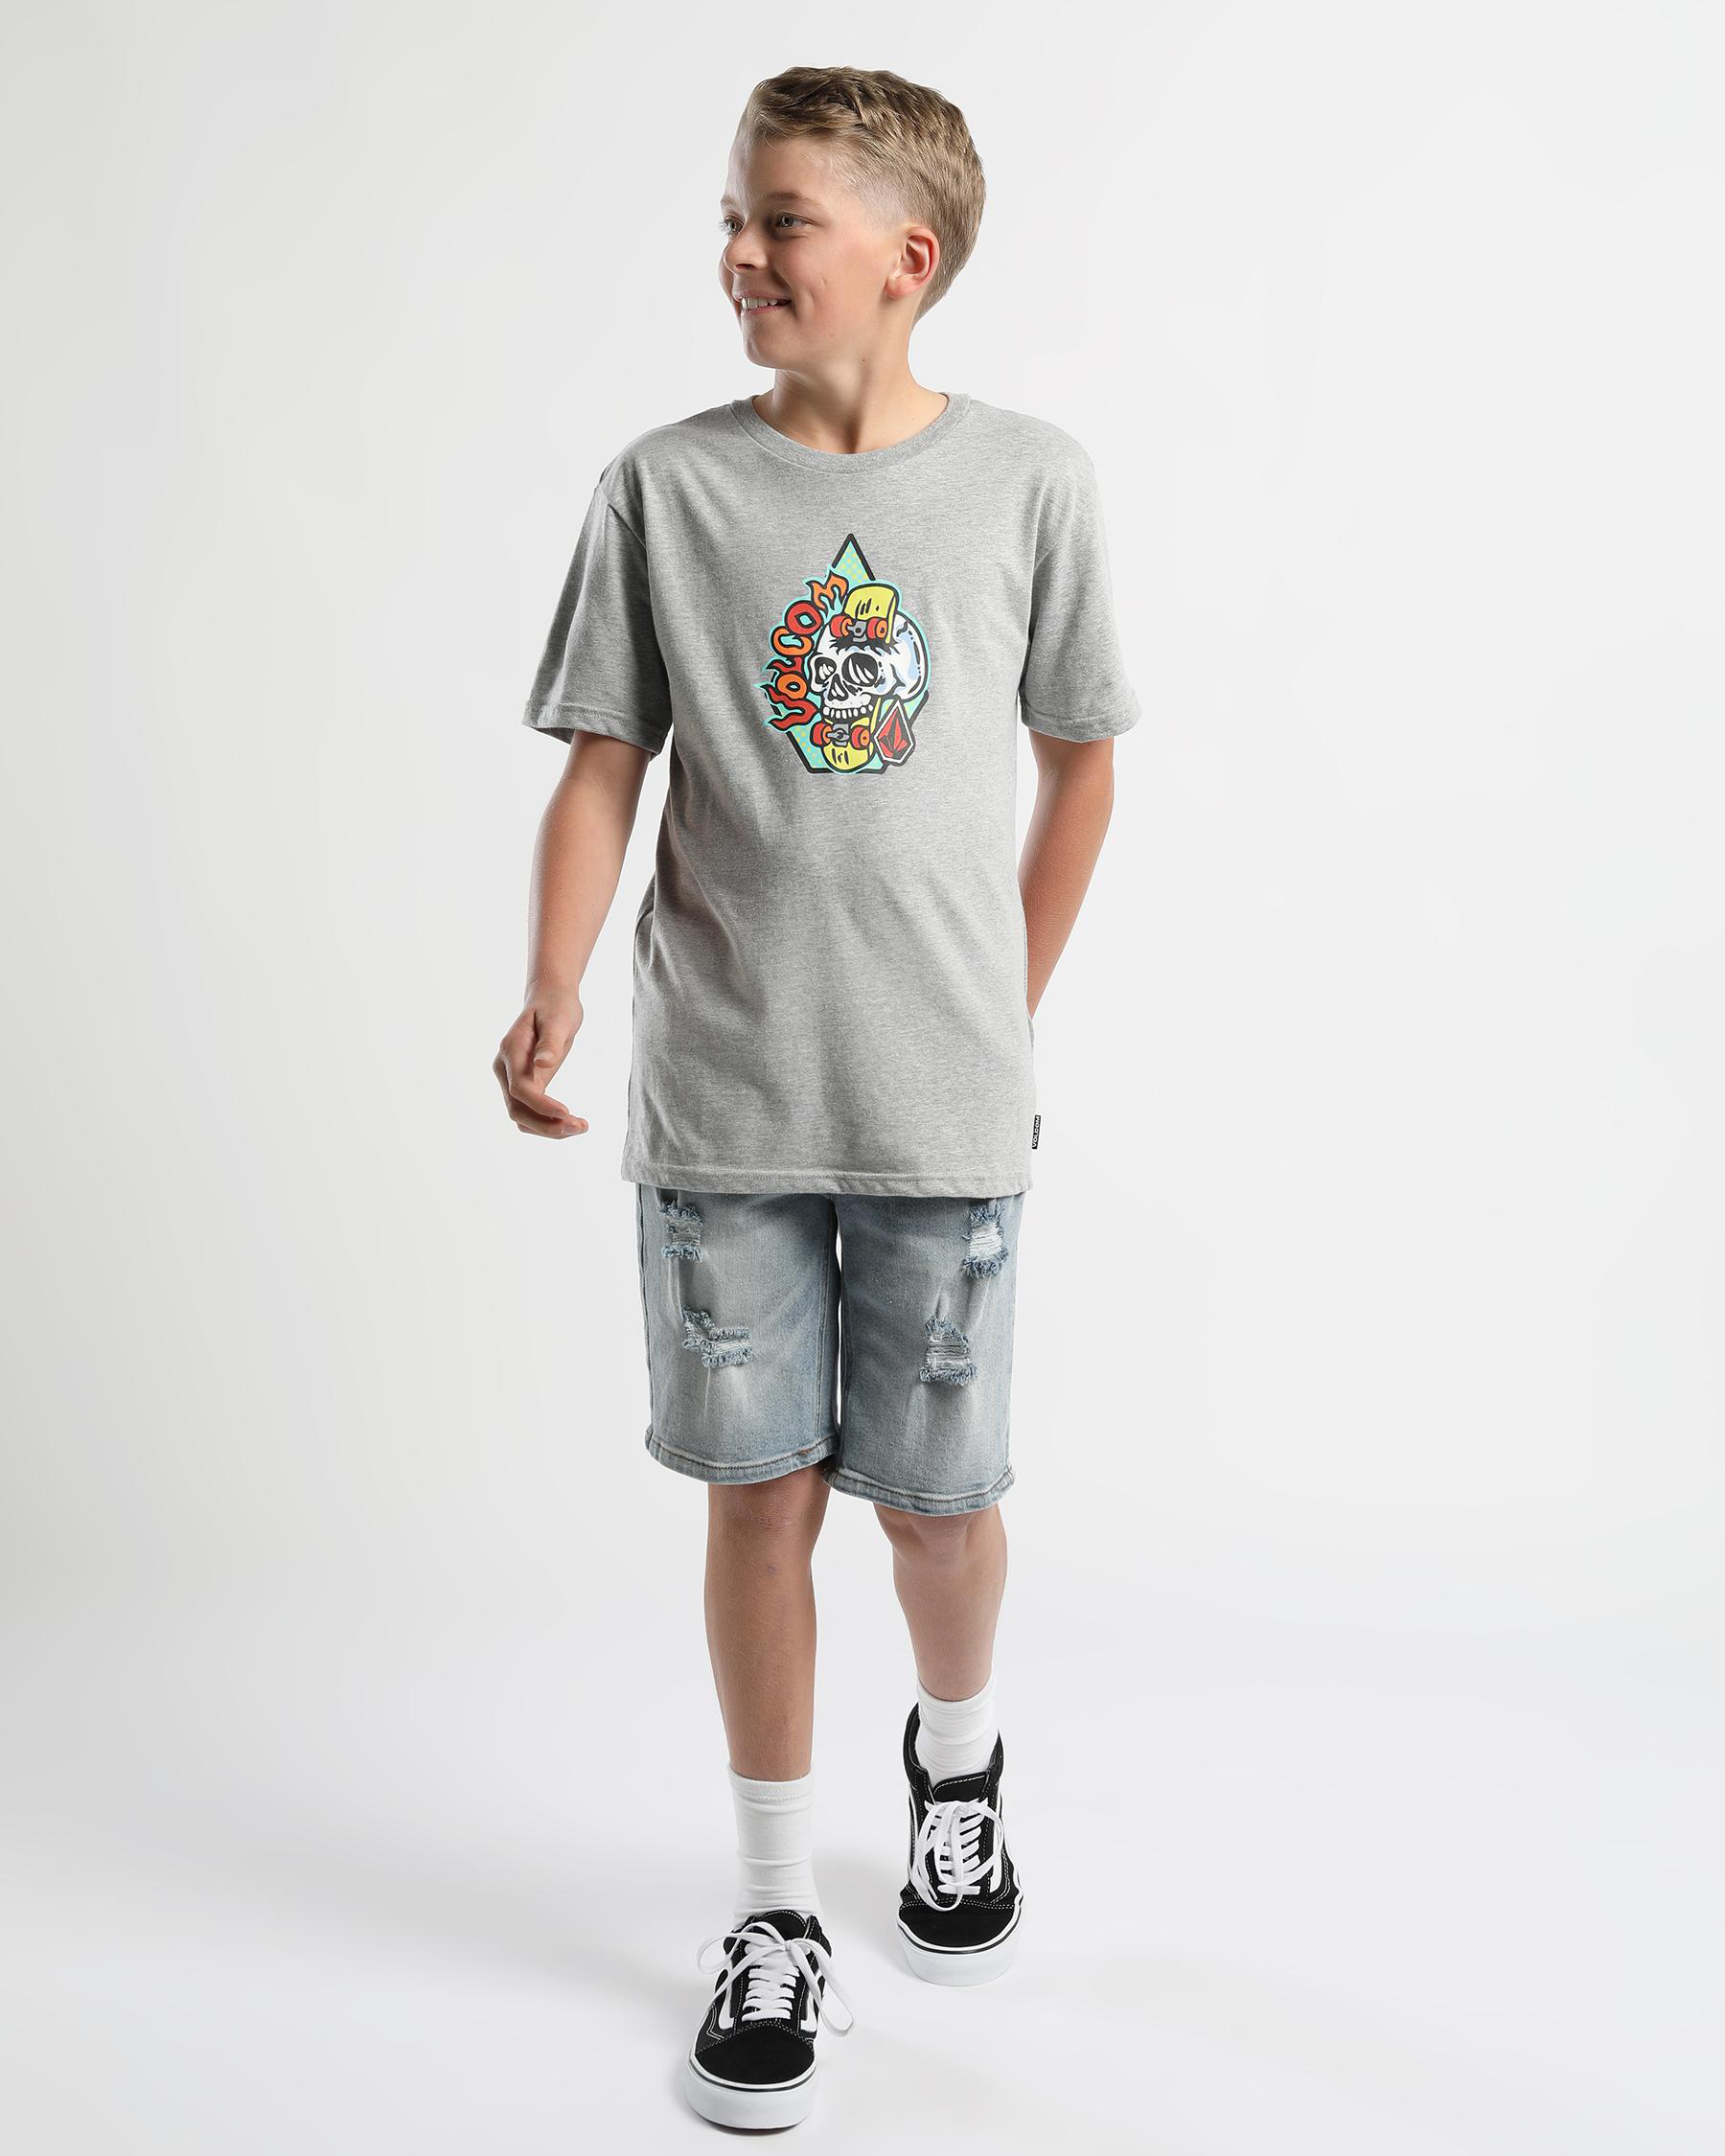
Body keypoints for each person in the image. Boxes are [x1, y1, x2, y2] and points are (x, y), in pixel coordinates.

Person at [494, 63, 1139, 2133]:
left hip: (943, 1099)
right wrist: (555, 981)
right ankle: (775, 1912)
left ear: (904, 255)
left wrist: (1004, 1003)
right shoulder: (666, 490)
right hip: (725, 1094)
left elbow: (1084, 759)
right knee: (756, 1492)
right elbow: (604, 761)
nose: (739, 253)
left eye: (779, 218)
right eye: (732, 216)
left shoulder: (1030, 483)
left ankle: (956, 1763)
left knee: (939, 1506)